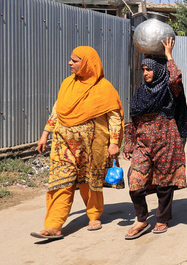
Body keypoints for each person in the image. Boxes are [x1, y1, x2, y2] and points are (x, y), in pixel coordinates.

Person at [32, 46, 124, 240]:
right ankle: (53, 226)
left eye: (74, 60)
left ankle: (94, 214)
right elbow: (58, 110)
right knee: (60, 181)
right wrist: (45, 133)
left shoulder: (104, 88)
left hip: (92, 145)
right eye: (70, 60)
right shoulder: (67, 84)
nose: (69, 63)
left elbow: (115, 117)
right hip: (63, 143)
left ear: (87, 63)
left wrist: (115, 143)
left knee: (90, 181)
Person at [123, 37, 187, 239]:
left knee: (164, 183)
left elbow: (176, 78)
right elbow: (133, 120)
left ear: (158, 71)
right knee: (134, 180)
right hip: (143, 143)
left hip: (166, 141)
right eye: (143, 70)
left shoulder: (169, 90)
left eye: (149, 69)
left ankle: (161, 218)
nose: (145, 73)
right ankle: (142, 219)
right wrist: (129, 143)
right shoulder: (140, 92)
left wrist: (169, 56)